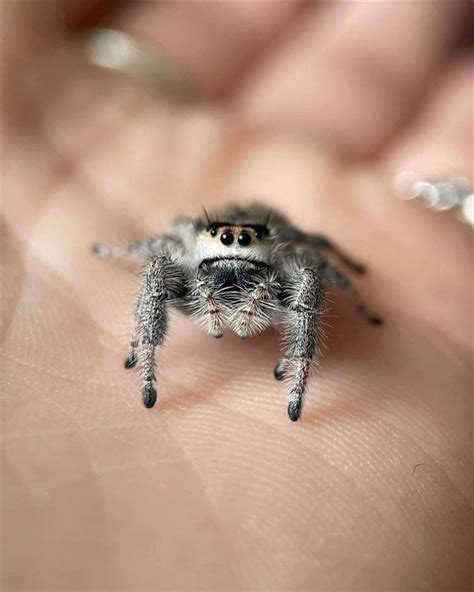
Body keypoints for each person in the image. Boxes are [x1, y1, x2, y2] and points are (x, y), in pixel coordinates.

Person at [2, 2, 472, 590]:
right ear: (207, 241)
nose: (231, 247)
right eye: (220, 242)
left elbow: (315, 256)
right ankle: (148, 355)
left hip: (282, 249)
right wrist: (140, 333)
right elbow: (164, 246)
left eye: (241, 244)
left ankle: (298, 367)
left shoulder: (287, 259)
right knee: (155, 267)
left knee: (308, 272)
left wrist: (349, 296)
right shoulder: (187, 251)